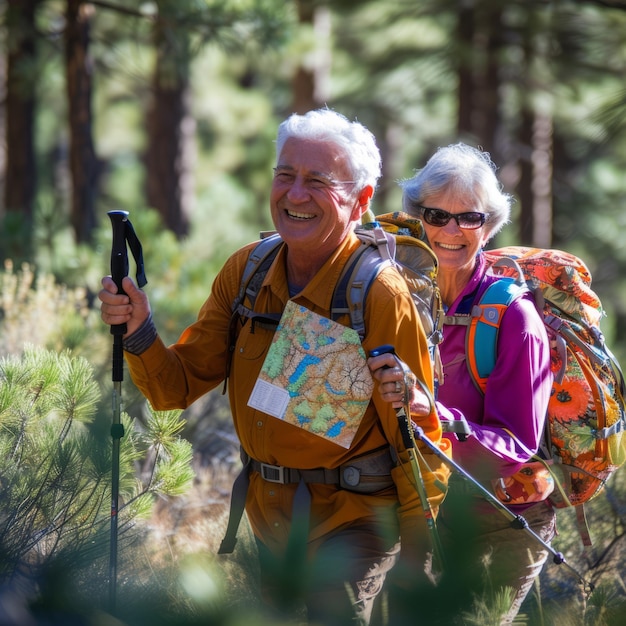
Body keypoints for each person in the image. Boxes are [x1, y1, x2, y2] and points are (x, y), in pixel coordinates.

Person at [99, 108, 450, 626]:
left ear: (361, 200)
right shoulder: (247, 270)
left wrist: (419, 560)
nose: (295, 194)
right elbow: (175, 387)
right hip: (268, 522)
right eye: (285, 175)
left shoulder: (378, 294)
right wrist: (140, 330)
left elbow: (417, 435)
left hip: (354, 523)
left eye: (317, 181)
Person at [398, 143, 556, 624]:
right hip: (419, 513)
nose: (449, 230)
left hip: (501, 519)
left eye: (468, 217)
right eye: (435, 214)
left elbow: (515, 445)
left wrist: (431, 414)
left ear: (488, 226)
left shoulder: (512, 319)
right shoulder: (397, 295)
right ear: (416, 218)